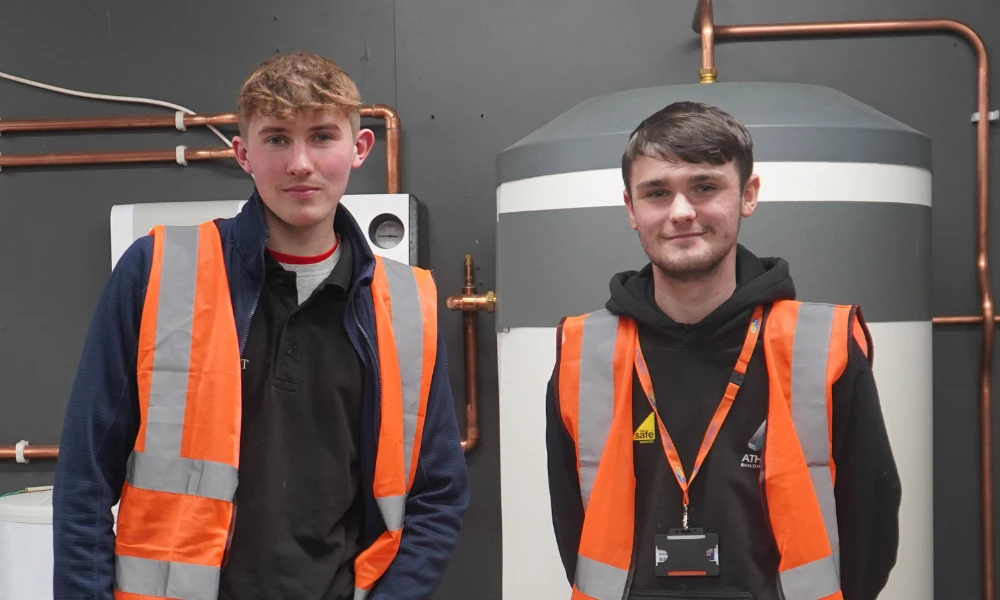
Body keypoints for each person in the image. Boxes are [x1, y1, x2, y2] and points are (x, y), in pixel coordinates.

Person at [52, 51, 470, 600]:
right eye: (276, 139)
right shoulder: (155, 270)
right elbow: (84, 473)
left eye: (322, 136)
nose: (300, 163)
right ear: (243, 153)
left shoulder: (407, 304)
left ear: (360, 147)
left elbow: (437, 495)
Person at [545, 101, 901, 600]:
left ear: (747, 195)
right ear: (631, 208)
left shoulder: (822, 345)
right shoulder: (584, 353)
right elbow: (571, 520)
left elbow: (871, 523)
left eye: (705, 187)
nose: (681, 212)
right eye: (657, 193)